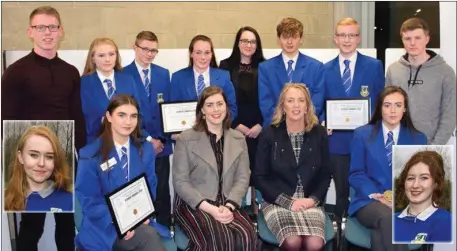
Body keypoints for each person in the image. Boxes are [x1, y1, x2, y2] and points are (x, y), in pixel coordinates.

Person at [1, 6, 83, 251]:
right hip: (32, 161)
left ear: (61, 31)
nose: (47, 32)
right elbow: (7, 119)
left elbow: (76, 114)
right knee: (32, 225)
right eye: (41, 27)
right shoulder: (15, 73)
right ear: (30, 32)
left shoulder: (70, 72)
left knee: (67, 223)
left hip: (64, 158)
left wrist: (83, 152)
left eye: (52, 27)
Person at [75, 94, 167, 251]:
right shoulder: (90, 155)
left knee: (147, 234)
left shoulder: (146, 150)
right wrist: (121, 222)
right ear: (109, 116)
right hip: (105, 228)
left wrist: (144, 215)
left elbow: (150, 186)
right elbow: (89, 201)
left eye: (133, 116)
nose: (128, 121)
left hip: (140, 221)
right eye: (121, 115)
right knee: (149, 236)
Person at [172, 86, 256, 251]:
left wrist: (230, 206)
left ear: (226, 107)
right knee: (220, 237)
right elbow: (180, 182)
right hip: (194, 203)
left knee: (247, 234)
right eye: (209, 105)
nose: (215, 109)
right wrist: (210, 209)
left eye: (220, 104)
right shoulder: (185, 139)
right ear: (202, 110)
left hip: (228, 202)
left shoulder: (238, 138)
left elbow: (243, 177)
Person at [253, 83, 332, 251]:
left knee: (314, 244)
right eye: (290, 100)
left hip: (309, 201)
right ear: (283, 106)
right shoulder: (269, 134)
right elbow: (259, 177)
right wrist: (287, 202)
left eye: (301, 100)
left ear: (307, 106)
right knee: (293, 241)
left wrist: (312, 200)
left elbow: (326, 174)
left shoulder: (319, 133)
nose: (296, 105)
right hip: (278, 201)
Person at [320, 17, 385, 221]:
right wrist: (324, 120)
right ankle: (342, 236)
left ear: (359, 38)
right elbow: (320, 102)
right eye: (342, 35)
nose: (347, 40)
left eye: (351, 35)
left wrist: (374, 125)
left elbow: (380, 101)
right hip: (336, 142)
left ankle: (362, 233)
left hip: (367, 143)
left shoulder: (374, 66)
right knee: (341, 196)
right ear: (335, 39)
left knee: (365, 194)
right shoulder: (325, 68)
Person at [348, 86, 427, 251]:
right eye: (387, 105)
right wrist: (378, 196)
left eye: (398, 105)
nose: (392, 111)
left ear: (404, 109)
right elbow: (356, 173)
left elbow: (422, 178)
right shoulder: (362, 134)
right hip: (369, 201)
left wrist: (400, 201)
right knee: (390, 218)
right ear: (380, 108)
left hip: (405, 202)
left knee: (382, 230)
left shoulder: (418, 138)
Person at [123, 31, 173, 228]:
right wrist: (148, 139)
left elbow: (167, 109)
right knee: (138, 191)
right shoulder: (123, 75)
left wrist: (160, 140)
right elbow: (125, 113)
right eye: (145, 49)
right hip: (137, 144)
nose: (150, 54)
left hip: (161, 146)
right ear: (135, 47)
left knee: (161, 191)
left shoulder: (163, 73)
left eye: (154, 50)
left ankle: (164, 231)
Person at [386, 17, 456, 145]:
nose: (412, 43)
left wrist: (435, 148)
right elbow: (387, 110)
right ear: (402, 40)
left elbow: (450, 115)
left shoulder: (445, 72)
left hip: (431, 145)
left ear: (427, 39)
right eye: (407, 39)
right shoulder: (393, 70)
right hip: (398, 145)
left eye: (417, 38)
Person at [81, 37, 149, 144]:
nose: (107, 59)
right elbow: (82, 119)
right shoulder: (83, 84)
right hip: (97, 145)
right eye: (101, 55)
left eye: (111, 54)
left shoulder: (128, 80)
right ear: (93, 58)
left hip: (127, 143)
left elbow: (139, 113)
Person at [258, 17, 325, 127]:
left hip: (306, 129)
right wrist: (285, 125)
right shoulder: (265, 68)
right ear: (278, 39)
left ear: (301, 39)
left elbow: (316, 103)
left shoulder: (316, 67)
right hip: (275, 129)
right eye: (285, 37)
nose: (289, 42)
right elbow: (266, 104)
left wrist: (299, 124)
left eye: (294, 37)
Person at [219, 26, 265, 181]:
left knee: (259, 171)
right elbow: (222, 99)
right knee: (235, 173)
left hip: (259, 129)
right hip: (233, 127)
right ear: (237, 43)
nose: (248, 45)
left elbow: (270, 98)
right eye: (244, 40)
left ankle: (258, 204)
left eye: (253, 41)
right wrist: (236, 124)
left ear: (257, 45)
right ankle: (237, 203)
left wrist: (261, 125)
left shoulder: (265, 66)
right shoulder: (225, 67)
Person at [4, 125, 73, 212]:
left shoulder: (70, 201)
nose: (41, 163)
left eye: (49, 157)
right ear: (21, 157)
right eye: (34, 155)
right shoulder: (4, 199)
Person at [169, 35, 237, 120]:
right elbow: (173, 109)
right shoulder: (178, 78)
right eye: (198, 52)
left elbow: (232, 109)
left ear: (211, 54)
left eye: (207, 52)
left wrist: (219, 125)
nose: (203, 57)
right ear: (191, 54)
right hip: (188, 131)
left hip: (217, 130)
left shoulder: (224, 77)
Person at [394, 150, 452, 243]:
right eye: (410, 178)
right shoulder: (390, 221)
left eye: (424, 178)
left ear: (436, 183)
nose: (415, 185)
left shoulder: (446, 222)